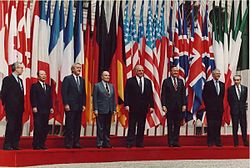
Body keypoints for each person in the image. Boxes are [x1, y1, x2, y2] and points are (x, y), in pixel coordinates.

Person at [124, 65, 154, 148]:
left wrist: (151, 106)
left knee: (141, 125)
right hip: (133, 107)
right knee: (132, 125)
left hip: (143, 108)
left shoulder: (148, 81)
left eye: (142, 70)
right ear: (135, 71)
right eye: (139, 70)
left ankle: (139, 142)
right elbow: (126, 94)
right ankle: (130, 142)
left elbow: (150, 95)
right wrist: (126, 104)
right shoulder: (130, 81)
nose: (141, 72)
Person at [62, 63, 86, 149]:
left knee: (77, 125)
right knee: (70, 125)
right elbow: (64, 92)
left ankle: (76, 142)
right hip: (70, 106)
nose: (79, 69)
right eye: (77, 68)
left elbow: (83, 93)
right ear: (72, 69)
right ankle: (69, 142)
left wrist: (84, 104)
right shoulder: (67, 79)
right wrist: (66, 104)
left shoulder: (82, 80)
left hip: (79, 106)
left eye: (80, 68)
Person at [1, 62, 24, 150]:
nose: (22, 69)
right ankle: (7, 144)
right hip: (11, 107)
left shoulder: (20, 80)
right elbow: (3, 93)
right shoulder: (8, 79)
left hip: (19, 108)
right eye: (20, 68)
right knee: (11, 125)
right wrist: (7, 104)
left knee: (18, 126)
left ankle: (15, 144)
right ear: (16, 68)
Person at [161, 65, 186, 147]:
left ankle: (176, 141)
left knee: (177, 125)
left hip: (178, 107)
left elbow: (183, 94)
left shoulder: (181, 81)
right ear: (170, 72)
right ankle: (170, 142)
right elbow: (163, 94)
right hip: (169, 107)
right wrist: (163, 105)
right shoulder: (166, 81)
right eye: (174, 71)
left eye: (177, 71)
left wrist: (184, 104)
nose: (176, 72)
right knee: (170, 124)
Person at [30, 70, 54, 150]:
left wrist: (51, 107)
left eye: (44, 74)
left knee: (45, 128)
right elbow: (33, 97)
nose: (43, 76)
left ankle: (42, 144)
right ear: (38, 76)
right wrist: (34, 106)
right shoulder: (34, 86)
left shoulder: (48, 87)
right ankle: (36, 144)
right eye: (41, 74)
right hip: (38, 110)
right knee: (38, 127)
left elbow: (50, 98)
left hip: (46, 110)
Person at [92, 70, 116, 148]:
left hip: (109, 110)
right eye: (105, 75)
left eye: (108, 75)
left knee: (107, 127)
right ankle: (100, 143)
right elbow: (94, 98)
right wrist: (95, 109)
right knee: (100, 127)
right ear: (102, 77)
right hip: (100, 110)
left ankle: (106, 143)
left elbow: (113, 99)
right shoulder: (97, 86)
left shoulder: (111, 86)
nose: (107, 77)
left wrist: (114, 109)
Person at [202, 69, 225, 147]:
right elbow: (204, 96)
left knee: (218, 125)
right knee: (211, 125)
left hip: (219, 109)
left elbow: (222, 97)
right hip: (210, 109)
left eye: (219, 73)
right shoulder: (208, 84)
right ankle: (210, 141)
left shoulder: (222, 84)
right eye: (217, 73)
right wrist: (209, 106)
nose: (218, 75)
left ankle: (217, 141)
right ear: (213, 74)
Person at [227, 75, 249, 147]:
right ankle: (236, 142)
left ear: (240, 80)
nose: (237, 81)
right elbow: (229, 100)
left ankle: (245, 141)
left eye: (238, 80)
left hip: (242, 111)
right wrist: (233, 107)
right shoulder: (230, 89)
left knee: (244, 126)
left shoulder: (245, 88)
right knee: (235, 127)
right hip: (234, 111)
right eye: (235, 80)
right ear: (233, 81)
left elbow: (244, 99)